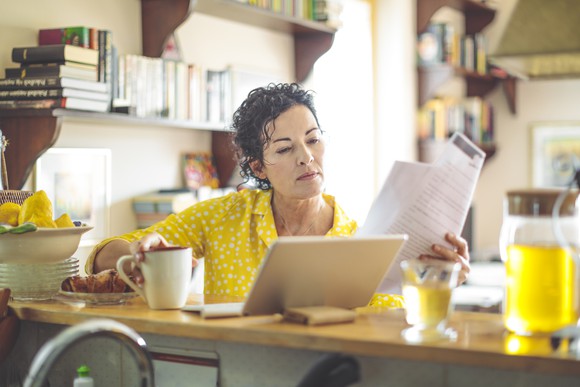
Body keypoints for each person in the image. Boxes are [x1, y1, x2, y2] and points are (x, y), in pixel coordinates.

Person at [87, 82, 470, 308]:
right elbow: (102, 255)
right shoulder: (222, 218)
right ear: (258, 167)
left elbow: (394, 321)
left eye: (314, 140)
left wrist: (441, 279)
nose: (307, 158)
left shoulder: (360, 237)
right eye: (285, 149)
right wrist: (139, 251)